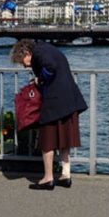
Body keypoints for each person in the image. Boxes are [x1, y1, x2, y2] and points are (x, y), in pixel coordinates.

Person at [10, 39, 88, 190]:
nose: (25, 66)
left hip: (55, 101)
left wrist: (41, 79)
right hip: (69, 99)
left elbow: (50, 68)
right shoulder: (48, 48)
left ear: (27, 53)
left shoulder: (39, 52)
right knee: (65, 139)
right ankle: (66, 175)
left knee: (47, 140)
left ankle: (48, 178)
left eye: (22, 61)